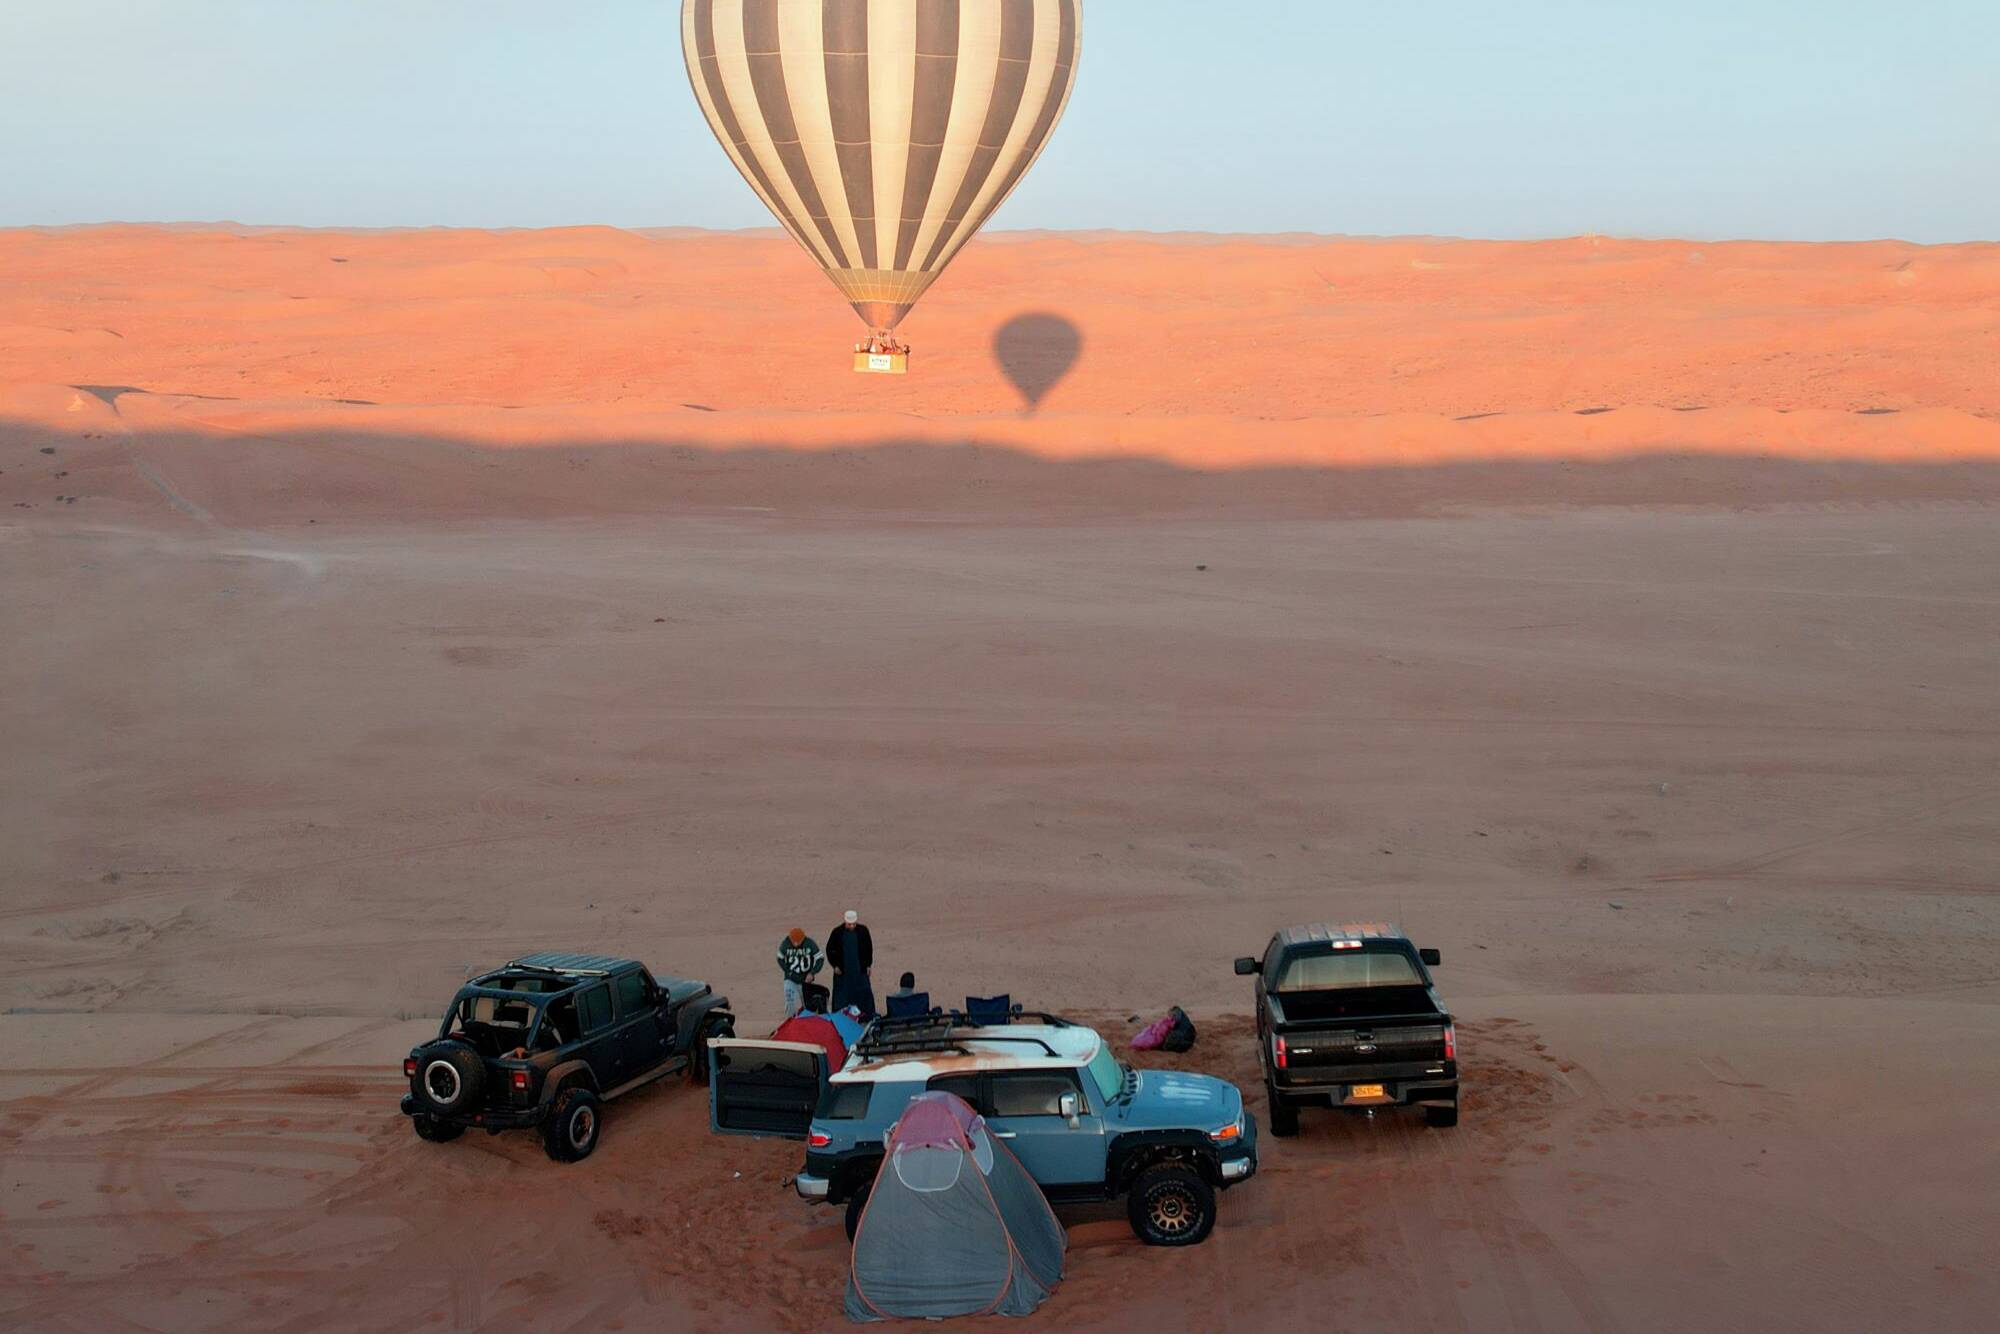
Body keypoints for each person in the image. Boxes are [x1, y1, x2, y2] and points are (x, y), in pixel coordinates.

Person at [826, 909, 875, 1018]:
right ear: (845, 922)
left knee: (864, 994)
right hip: (843, 973)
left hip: (860, 970)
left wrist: (868, 965)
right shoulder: (837, 933)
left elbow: (868, 949)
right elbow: (830, 950)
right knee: (841, 997)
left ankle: (866, 1016)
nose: (852, 926)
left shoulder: (863, 931)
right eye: (849, 924)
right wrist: (835, 965)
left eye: (853, 924)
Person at [776, 927, 824, 1018]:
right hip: (790, 979)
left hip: (805, 981)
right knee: (790, 1001)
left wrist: (812, 973)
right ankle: (790, 1022)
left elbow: (820, 959)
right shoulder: (786, 943)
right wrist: (788, 971)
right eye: (794, 941)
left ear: (803, 938)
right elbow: (779, 958)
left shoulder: (810, 943)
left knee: (808, 1006)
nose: (796, 944)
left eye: (798, 941)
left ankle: (807, 1023)